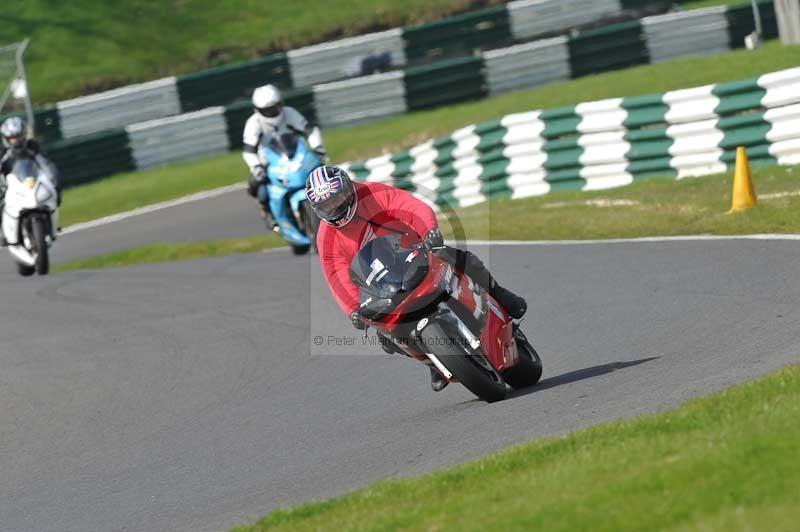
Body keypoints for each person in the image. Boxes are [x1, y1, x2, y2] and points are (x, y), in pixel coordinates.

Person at [306, 165, 527, 392]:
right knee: (385, 335)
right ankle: (434, 361)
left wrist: (429, 230)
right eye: (326, 205)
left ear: (348, 190)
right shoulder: (326, 236)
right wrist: (352, 308)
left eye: (336, 199)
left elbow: (410, 206)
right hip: (380, 283)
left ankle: (500, 294)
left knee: (457, 258)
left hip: (414, 252)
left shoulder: (373, 194)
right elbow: (336, 273)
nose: (334, 207)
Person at [242, 84, 326, 231]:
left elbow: (309, 130)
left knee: (324, 171)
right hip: (269, 162)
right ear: (258, 110)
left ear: (281, 104)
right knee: (258, 186)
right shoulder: (253, 123)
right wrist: (256, 166)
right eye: (267, 111)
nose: (272, 112)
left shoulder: (289, 113)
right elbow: (249, 150)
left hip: (295, 155)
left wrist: (317, 148)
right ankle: (268, 212)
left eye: (275, 107)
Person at [0, 116, 61, 246]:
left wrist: (53, 178)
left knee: (53, 188)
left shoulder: (33, 146)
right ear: (6, 139)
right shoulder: (3, 152)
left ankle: (53, 224)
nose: (16, 140)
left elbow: (45, 162)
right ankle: (4, 233)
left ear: (24, 135)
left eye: (18, 136)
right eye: (12, 138)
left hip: (31, 180)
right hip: (10, 183)